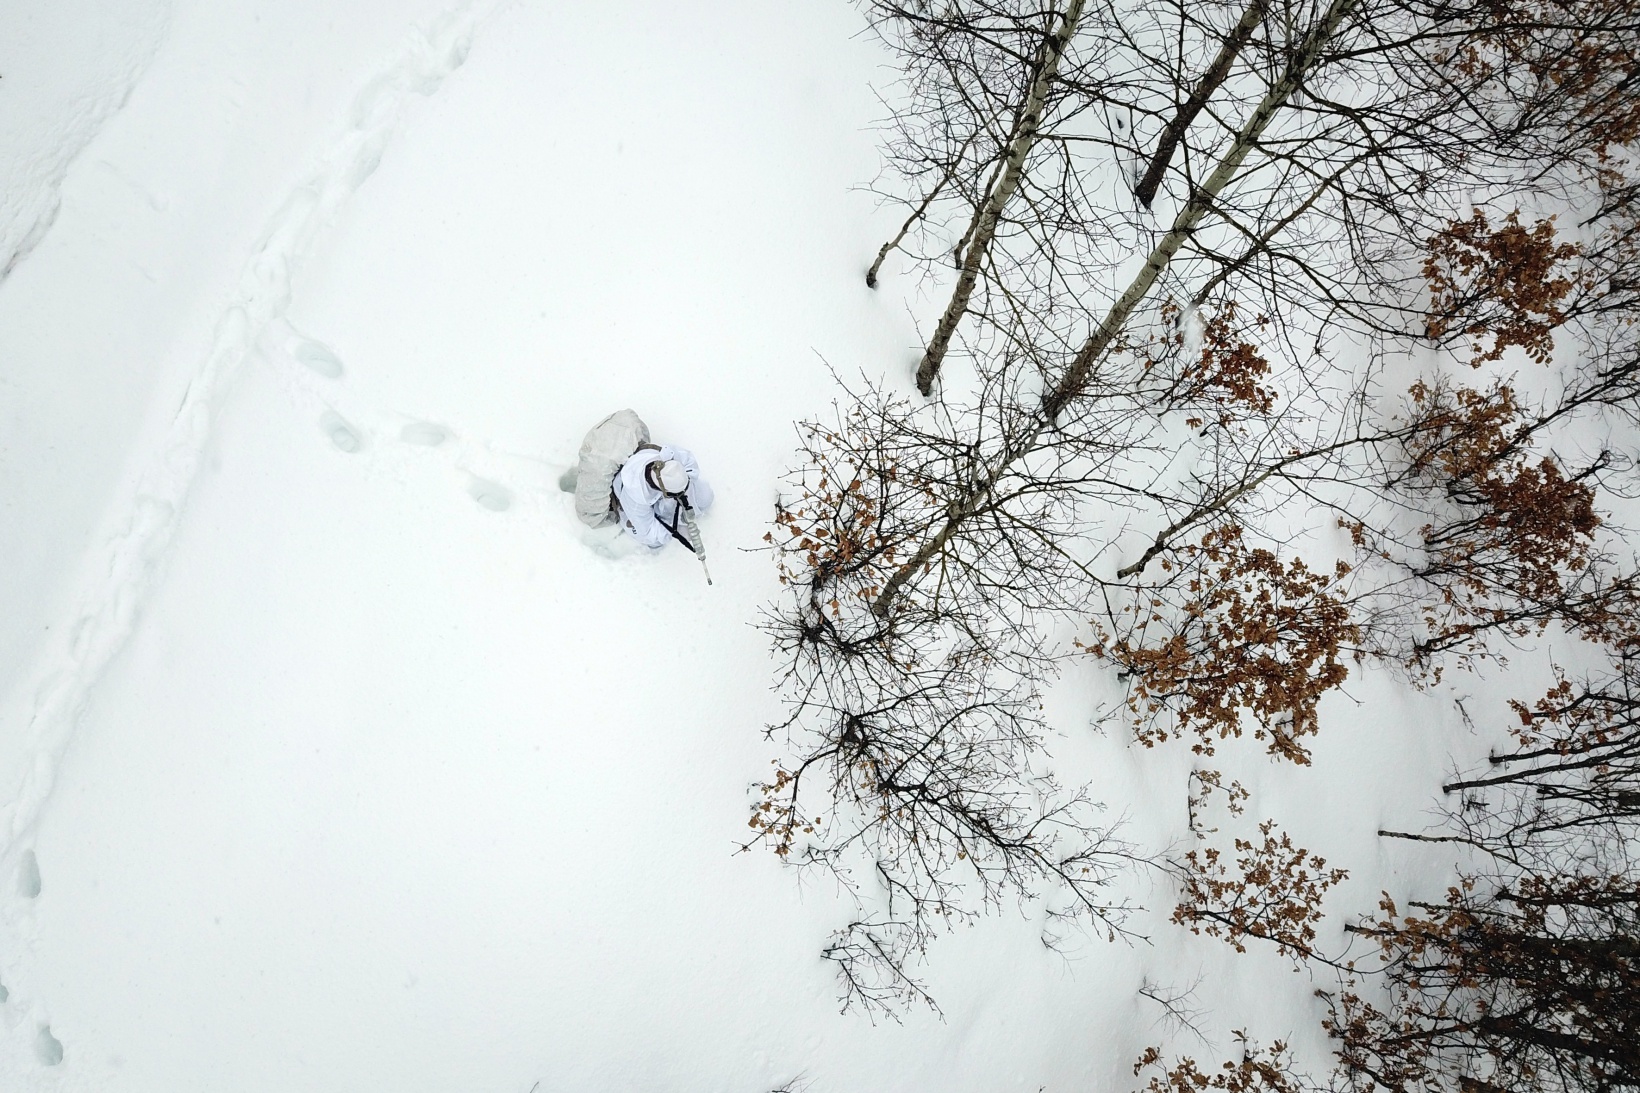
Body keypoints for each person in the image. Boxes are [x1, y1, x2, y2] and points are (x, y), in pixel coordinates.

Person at [611, 444, 714, 550]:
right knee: (655, 542)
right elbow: (648, 532)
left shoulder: (670, 459)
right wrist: (677, 531)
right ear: (665, 491)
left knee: (705, 498)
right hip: (635, 509)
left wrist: (685, 484)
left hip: (661, 493)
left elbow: (689, 462)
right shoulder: (636, 498)